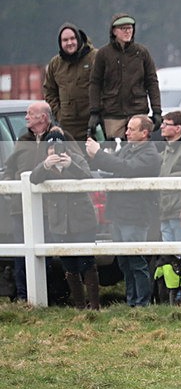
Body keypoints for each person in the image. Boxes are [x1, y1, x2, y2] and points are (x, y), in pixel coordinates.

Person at [86, 114, 162, 306]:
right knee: (124, 263)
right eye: (127, 128)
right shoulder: (130, 148)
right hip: (119, 214)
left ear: (145, 133)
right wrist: (96, 156)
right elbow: (114, 165)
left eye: (132, 129)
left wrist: (99, 154)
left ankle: (142, 303)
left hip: (135, 215)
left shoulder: (150, 155)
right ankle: (131, 301)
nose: (126, 132)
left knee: (136, 261)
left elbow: (125, 168)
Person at [2, 101, 70, 302]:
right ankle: (24, 297)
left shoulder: (58, 138)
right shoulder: (22, 140)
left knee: (46, 254)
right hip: (20, 208)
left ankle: (50, 295)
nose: (26, 117)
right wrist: (8, 185)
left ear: (43, 117)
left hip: (48, 208)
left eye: (30, 114)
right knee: (21, 253)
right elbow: (9, 167)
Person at [29, 127, 101, 309]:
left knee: (87, 262)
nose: (55, 151)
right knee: (69, 265)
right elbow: (33, 179)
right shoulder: (45, 165)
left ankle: (94, 304)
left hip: (82, 220)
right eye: (51, 147)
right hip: (59, 223)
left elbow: (87, 177)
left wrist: (71, 165)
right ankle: (79, 305)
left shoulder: (76, 159)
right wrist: (45, 165)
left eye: (58, 147)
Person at [88, 13, 161, 139]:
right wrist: (94, 112)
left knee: (140, 149)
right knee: (115, 153)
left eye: (130, 28)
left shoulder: (142, 52)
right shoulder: (103, 54)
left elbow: (152, 82)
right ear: (114, 31)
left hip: (138, 112)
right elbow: (95, 83)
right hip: (113, 115)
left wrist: (157, 110)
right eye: (123, 28)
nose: (127, 31)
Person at [157, 110, 181, 299]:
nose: (162, 126)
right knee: (170, 256)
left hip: (179, 209)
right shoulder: (168, 147)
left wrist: (167, 179)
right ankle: (173, 295)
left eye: (166, 123)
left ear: (178, 128)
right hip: (165, 208)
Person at [43, 22, 97, 141]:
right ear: (60, 43)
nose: (69, 43)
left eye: (72, 38)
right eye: (65, 40)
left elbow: (106, 86)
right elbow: (49, 92)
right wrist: (59, 114)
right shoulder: (55, 64)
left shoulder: (95, 57)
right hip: (67, 126)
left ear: (78, 38)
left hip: (92, 123)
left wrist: (98, 113)